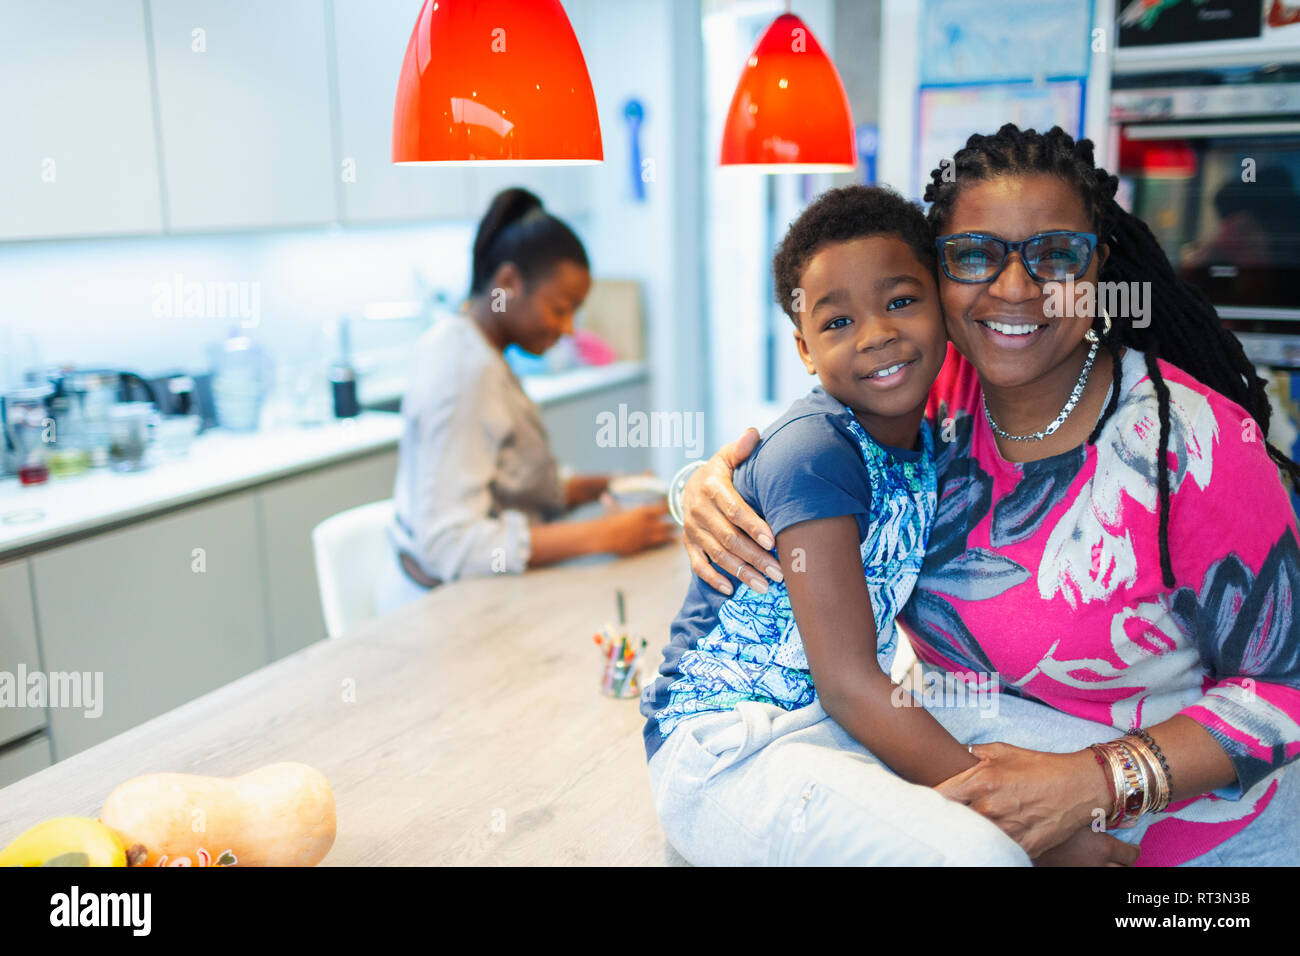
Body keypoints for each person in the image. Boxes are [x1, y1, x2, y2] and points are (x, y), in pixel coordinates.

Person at [672, 124, 1300, 866]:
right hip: (981, 813)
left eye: (1055, 255)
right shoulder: (922, 396)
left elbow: (1283, 690)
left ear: (1098, 267)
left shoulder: (1195, 443)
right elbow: (807, 452)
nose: (1014, 288)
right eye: (975, 255)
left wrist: (1092, 784)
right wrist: (706, 486)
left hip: (1182, 844)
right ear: (935, 274)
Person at [643, 185, 1081, 866]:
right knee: (982, 857)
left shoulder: (927, 437)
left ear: (942, 306)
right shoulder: (814, 450)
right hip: (730, 751)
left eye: (901, 302)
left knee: (1078, 752)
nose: (876, 335)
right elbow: (849, 682)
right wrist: (1015, 821)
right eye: (837, 322)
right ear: (805, 349)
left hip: (833, 723)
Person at [376, 188, 677, 614]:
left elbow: (510, 480)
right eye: (560, 308)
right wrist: (605, 534)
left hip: (484, 596)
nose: (570, 329)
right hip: (440, 612)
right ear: (508, 283)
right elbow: (449, 543)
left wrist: (605, 486)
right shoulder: (464, 369)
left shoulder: (481, 351)